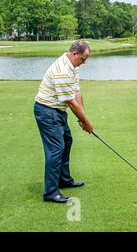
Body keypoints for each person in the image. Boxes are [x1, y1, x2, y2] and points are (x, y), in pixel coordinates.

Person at [34, 40, 94, 203]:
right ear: (74, 54)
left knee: (67, 140)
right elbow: (70, 102)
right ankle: (51, 192)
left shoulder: (73, 65)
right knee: (56, 149)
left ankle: (63, 179)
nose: (85, 62)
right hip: (46, 111)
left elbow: (77, 92)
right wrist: (86, 122)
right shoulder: (62, 71)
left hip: (56, 110)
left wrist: (83, 118)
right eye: (83, 58)